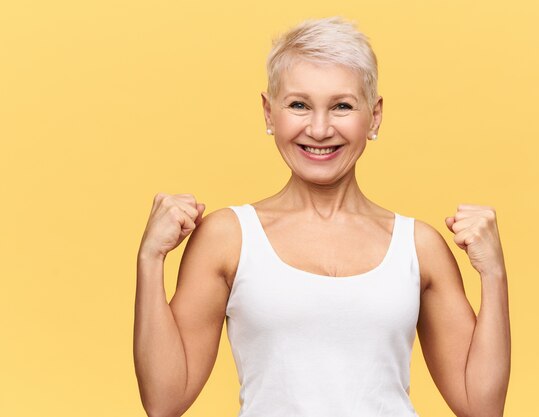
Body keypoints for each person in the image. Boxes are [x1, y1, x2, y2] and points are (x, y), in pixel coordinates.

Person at [133, 16, 511, 417]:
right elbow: (164, 402)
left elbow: (481, 406)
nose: (318, 128)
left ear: (375, 115)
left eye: (342, 106)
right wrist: (150, 259)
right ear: (268, 112)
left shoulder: (419, 245)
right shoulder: (228, 238)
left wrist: (494, 272)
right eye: (298, 105)